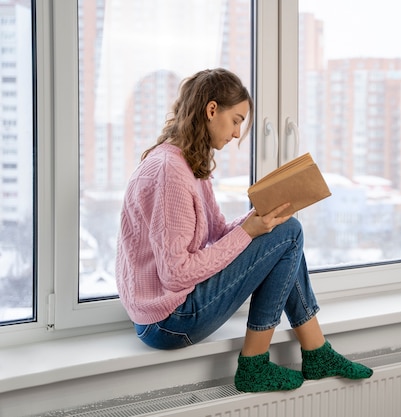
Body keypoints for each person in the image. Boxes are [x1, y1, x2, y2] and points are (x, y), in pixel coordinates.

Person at [115, 68, 372, 393]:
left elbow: (218, 232)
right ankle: (258, 363)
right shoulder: (171, 173)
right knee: (290, 233)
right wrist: (250, 232)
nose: (237, 133)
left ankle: (317, 351)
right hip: (168, 321)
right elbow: (175, 274)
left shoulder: (185, 162)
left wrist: (259, 220)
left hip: (165, 311)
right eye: (236, 120)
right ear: (211, 110)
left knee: (283, 230)